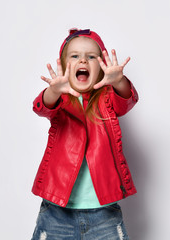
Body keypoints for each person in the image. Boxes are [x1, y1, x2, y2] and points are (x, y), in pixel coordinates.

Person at [31, 28, 139, 240]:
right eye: (75, 56)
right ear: (64, 66)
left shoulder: (107, 100)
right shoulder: (60, 100)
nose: (83, 60)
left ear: (101, 68)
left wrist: (119, 81)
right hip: (56, 212)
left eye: (91, 57)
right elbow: (42, 107)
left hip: (104, 212)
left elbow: (126, 100)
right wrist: (53, 91)